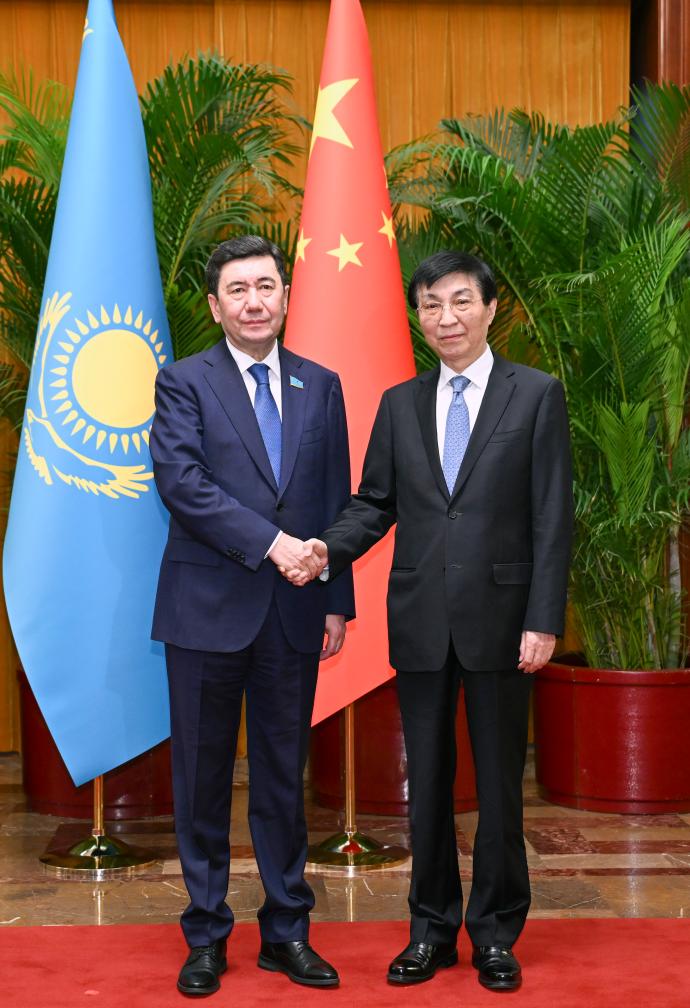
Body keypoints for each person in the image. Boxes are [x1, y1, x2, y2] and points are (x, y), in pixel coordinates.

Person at [288, 250, 573, 993]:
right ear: (418, 317)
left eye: (459, 302)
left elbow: (552, 516)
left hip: (505, 623)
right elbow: (373, 503)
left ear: (490, 308)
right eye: (430, 306)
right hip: (420, 620)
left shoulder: (535, 394)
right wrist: (325, 549)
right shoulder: (400, 403)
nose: (446, 318)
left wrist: (544, 618)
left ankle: (497, 934)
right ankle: (430, 931)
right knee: (429, 788)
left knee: (501, 790)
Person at [149, 235, 355, 997]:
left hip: (296, 612)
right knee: (201, 780)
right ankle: (206, 935)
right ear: (215, 306)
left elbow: (334, 495)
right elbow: (183, 484)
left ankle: (286, 932)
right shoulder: (183, 382)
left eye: (266, 286)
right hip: (205, 611)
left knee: (281, 778)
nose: (254, 302)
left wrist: (335, 597)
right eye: (237, 290)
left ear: (286, 295)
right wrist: (273, 545)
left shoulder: (320, 384)